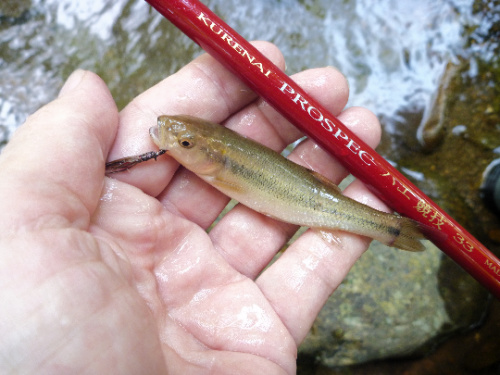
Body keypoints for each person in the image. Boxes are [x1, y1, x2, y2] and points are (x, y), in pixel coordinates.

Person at [0, 42, 384, 374]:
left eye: (184, 144)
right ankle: (388, 226)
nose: (171, 140)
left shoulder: (223, 166)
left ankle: (387, 226)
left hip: (310, 199)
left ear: (214, 156)